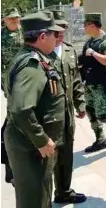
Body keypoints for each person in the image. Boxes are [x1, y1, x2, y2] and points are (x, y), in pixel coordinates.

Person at [4, 11, 66, 208]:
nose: (57, 38)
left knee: (41, 196)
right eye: (54, 34)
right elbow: (21, 109)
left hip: (33, 145)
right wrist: (41, 139)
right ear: (42, 37)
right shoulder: (32, 65)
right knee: (34, 199)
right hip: (32, 146)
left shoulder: (33, 57)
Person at [48, 9, 87, 203]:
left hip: (67, 115)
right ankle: (42, 197)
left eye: (64, 27)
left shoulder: (70, 50)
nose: (62, 32)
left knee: (66, 155)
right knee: (48, 158)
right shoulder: (41, 53)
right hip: (48, 117)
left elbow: (76, 80)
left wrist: (80, 103)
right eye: (58, 28)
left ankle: (63, 191)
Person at [80, 13, 106, 153]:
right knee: (91, 111)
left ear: (92, 25)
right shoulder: (89, 42)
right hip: (89, 84)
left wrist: (94, 54)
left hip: (100, 85)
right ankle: (100, 139)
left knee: (102, 114)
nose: (83, 27)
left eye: (85, 24)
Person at [1, 7, 24, 186]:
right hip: (10, 85)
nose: (15, 21)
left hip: (27, 81)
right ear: (5, 20)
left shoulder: (26, 34)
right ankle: (13, 171)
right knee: (14, 122)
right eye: (12, 19)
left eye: (17, 18)